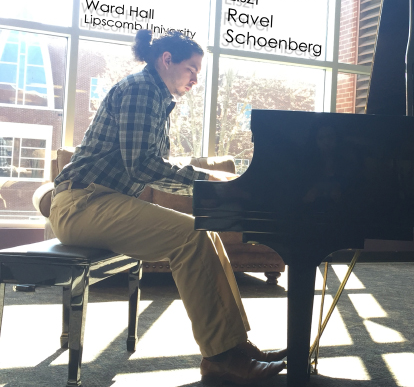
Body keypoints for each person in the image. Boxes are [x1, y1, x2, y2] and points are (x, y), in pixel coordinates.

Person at [50, 30, 286, 385]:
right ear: (166, 60)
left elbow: (149, 164)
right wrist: (207, 181)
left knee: (206, 234)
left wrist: (210, 180)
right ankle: (221, 357)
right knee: (192, 236)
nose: (195, 79)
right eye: (192, 69)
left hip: (99, 201)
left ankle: (236, 346)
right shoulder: (141, 89)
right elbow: (142, 166)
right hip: (81, 203)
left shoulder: (156, 98)